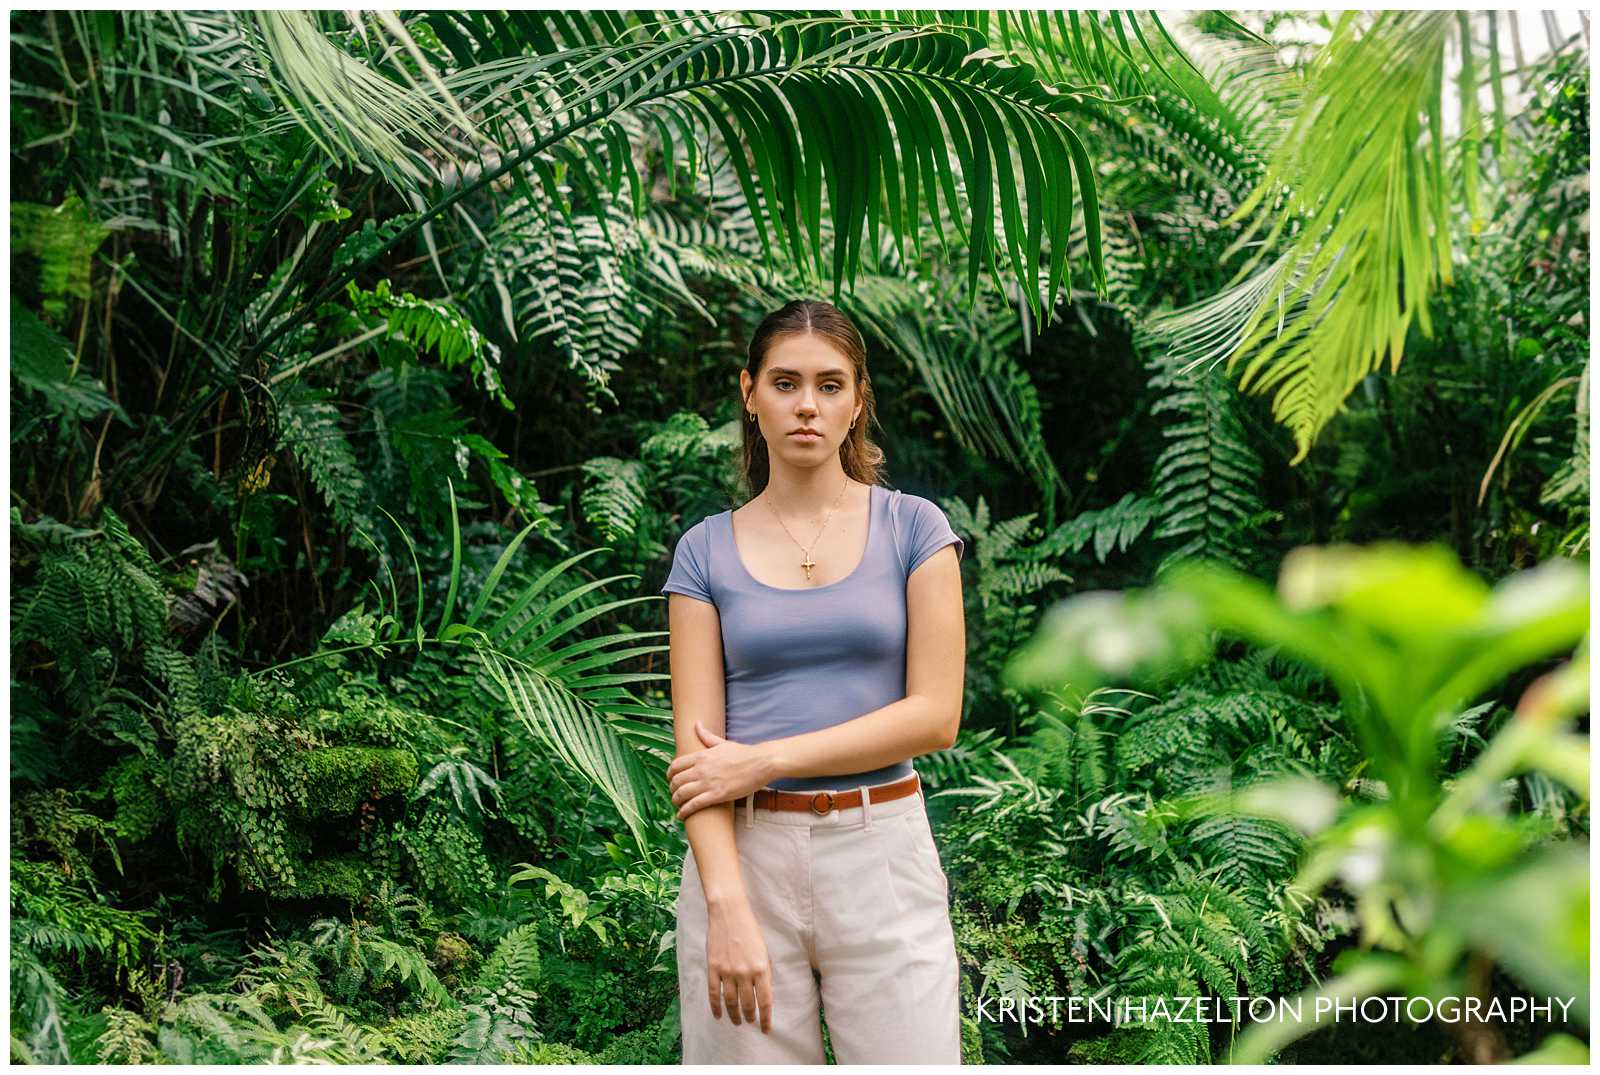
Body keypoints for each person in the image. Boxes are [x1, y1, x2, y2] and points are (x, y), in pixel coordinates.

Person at [659, 299, 967, 1064]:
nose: (807, 405)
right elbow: (698, 763)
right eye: (786, 382)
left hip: (882, 850)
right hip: (743, 858)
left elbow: (935, 716)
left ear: (858, 399)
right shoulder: (703, 553)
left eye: (830, 385)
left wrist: (765, 757)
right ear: (749, 392)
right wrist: (725, 905)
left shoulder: (915, 529)